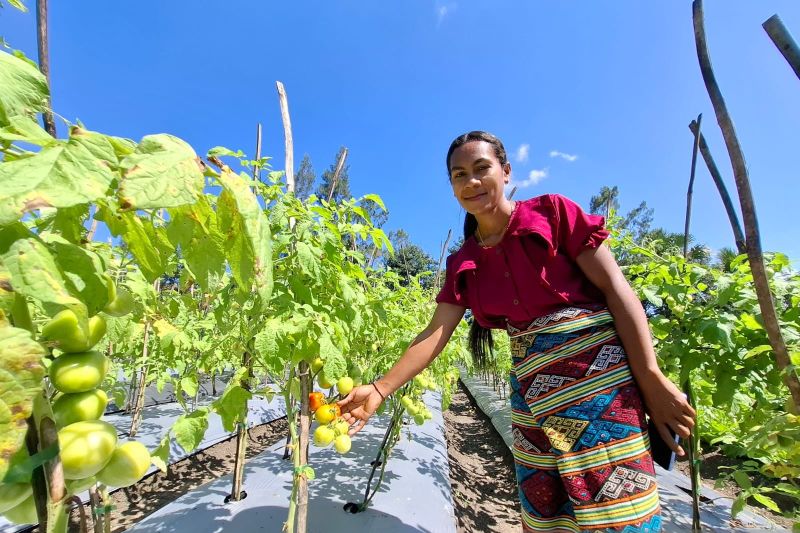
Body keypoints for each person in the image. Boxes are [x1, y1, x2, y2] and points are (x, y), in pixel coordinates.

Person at [338, 130, 695, 532]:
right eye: (459, 175)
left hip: (600, 392)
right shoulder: (464, 262)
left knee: (616, 512)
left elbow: (618, 290)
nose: (471, 181)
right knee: (545, 514)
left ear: (505, 172)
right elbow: (435, 333)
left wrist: (650, 377)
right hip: (531, 397)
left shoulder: (554, 214)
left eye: (481, 169)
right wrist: (381, 388)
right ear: (452, 187)